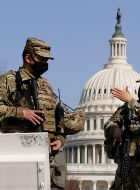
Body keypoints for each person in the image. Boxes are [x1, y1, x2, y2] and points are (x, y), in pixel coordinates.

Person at [0, 37, 84, 189]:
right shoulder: (8, 80)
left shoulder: (45, 84)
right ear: (27, 58)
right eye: (42, 59)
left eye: (47, 60)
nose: (45, 64)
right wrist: (21, 113)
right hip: (20, 156)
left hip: (49, 159)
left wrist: (61, 139)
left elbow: (57, 119)